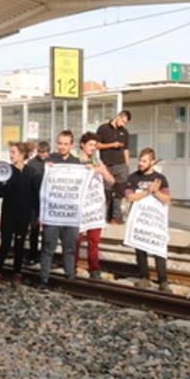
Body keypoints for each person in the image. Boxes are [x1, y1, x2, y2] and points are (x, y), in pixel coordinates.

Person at [38, 130, 81, 287]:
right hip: (53, 214)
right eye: (60, 143)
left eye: (65, 144)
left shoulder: (77, 163)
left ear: (71, 145)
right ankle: (43, 279)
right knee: (48, 248)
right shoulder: (50, 161)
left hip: (70, 215)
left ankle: (70, 277)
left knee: (69, 248)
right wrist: (45, 169)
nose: (62, 147)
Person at [125, 148, 171, 291]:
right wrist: (147, 191)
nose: (140, 163)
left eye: (144, 161)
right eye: (139, 160)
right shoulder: (133, 178)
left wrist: (156, 191)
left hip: (155, 222)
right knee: (140, 249)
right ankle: (144, 277)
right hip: (140, 221)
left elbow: (167, 199)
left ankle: (163, 280)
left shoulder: (160, 179)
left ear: (152, 162)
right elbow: (129, 197)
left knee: (158, 250)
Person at [0, 142, 36, 288]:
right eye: (10, 152)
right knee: (5, 244)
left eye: (14, 152)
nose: (11, 155)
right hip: (9, 214)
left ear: (23, 155)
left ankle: (17, 274)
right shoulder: (7, 171)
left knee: (19, 244)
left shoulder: (31, 172)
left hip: (23, 215)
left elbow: (34, 195)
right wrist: (2, 183)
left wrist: (35, 215)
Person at [76, 132, 114, 279]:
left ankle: (94, 269)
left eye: (95, 145)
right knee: (76, 240)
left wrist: (102, 170)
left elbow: (111, 181)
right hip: (80, 207)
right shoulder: (76, 161)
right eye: (90, 145)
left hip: (94, 208)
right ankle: (72, 266)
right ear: (82, 145)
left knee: (94, 241)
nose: (93, 148)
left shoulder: (97, 160)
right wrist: (90, 170)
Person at [96, 110, 131, 224]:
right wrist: (112, 144)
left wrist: (127, 165)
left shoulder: (124, 132)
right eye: (122, 121)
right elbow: (97, 145)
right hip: (107, 165)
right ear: (118, 117)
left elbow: (126, 149)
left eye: (125, 123)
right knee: (107, 192)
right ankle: (104, 216)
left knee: (119, 193)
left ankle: (116, 218)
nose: (123, 124)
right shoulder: (103, 128)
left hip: (121, 165)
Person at [25, 141, 49, 265]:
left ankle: (43, 255)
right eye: (40, 152)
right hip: (34, 201)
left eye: (44, 152)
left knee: (47, 230)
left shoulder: (51, 163)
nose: (43, 154)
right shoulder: (32, 164)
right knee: (34, 230)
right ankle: (32, 254)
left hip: (47, 201)